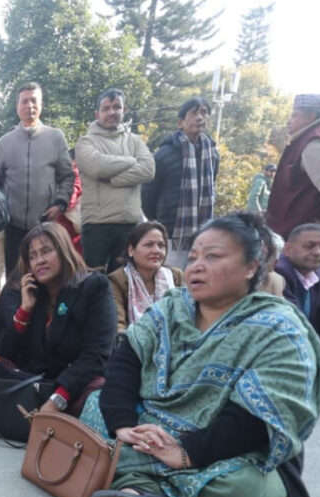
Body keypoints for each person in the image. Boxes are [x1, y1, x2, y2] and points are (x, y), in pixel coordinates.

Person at [85, 214, 320, 497]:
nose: (197, 266)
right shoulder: (171, 308)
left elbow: (260, 415)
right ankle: (155, 489)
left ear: (251, 267)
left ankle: (140, 485)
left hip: (224, 448)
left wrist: (187, 452)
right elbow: (125, 363)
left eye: (213, 257)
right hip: (151, 427)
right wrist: (124, 426)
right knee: (95, 407)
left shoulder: (278, 328)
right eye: (193, 257)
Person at [0, 222, 116, 415]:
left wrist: (57, 399)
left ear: (63, 251)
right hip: (37, 388)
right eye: (32, 256)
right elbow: (5, 353)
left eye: (46, 251)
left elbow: (96, 355)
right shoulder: (35, 294)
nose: (39, 261)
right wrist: (24, 311)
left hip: (76, 388)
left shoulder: (94, 287)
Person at [0, 82, 75, 278]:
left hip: (45, 223)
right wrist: (3, 207)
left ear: (41, 104)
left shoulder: (56, 138)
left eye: (34, 101)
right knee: (16, 279)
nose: (29, 106)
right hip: (13, 226)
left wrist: (60, 204)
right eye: (24, 101)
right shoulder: (5, 142)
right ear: (17, 106)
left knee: (47, 278)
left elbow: (67, 177)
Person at [74, 88, 155, 272]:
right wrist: (132, 161)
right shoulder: (86, 142)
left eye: (117, 107)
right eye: (106, 108)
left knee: (124, 282)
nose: (112, 112)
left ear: (124, 110)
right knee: (94, 282)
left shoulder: (135, 141)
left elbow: (148, 170)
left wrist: (112, 179)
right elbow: (97, 167)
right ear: (97, 113)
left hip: (129, 226)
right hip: (96, 226)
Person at [142, 97, 219, 267]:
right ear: (180, 122)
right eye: (193, 113)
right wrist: (160, 221)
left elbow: (212, 188)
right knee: (170, 278)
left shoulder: (212, 154)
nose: (199, 117)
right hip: (170, 234)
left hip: (202, 234)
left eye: (204, 113)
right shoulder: (164, 154)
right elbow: (147, 195)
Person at [274, 223, 320, 391]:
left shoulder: (318, 276)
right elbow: (299, 324)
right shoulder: (280, 274)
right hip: (280, 354)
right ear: (287, 249)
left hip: (307, 349)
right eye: (309, 246)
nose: (318, 252)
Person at [265, 94, 320, 239]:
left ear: (310, 116)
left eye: (295, 115)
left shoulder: (314, 145)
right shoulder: (316, 137)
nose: (289, 121)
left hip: (307, 239)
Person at [106, 222, 184, 332]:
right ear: (131, 250)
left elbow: (185, 318)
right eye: (148, 245)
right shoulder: (117, 280)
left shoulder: (175, 276)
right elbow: (118, 323)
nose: (156, 251)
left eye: (161, 245)